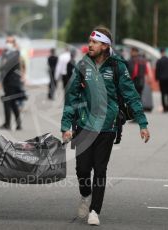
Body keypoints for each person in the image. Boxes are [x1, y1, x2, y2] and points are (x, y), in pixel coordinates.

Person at [61, 26, 150, 226]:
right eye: (89, 41)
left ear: (104, 45)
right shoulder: (83, 65)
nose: (89, 45)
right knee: (82, 169)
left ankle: (95, 210)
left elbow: (131, 95)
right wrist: (66, 125)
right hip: (84, 125)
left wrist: (142, 123)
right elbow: (71, 97)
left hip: (108, 126)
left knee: (100, 169)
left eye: (94, 42)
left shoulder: (118, 66)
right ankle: (86, 195)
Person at [0, 35, 24, 130]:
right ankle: (18, 124)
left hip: (13, 81)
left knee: (7, 101)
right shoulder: (6, 53)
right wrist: (0, 80)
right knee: (12, 103)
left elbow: (7, 66)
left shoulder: (16, 53)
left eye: (10, 41)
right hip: (7, 81)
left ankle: (8, 124)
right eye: (7, 41)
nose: (8, 43)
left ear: (14, 43)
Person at [155, 48, 168, 112]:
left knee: (163, 94)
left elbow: (157, 70)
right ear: (165, 52)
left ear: (161, 53)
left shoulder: (159, 61)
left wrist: (157, 78)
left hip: (162, 79)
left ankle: (164, 108)